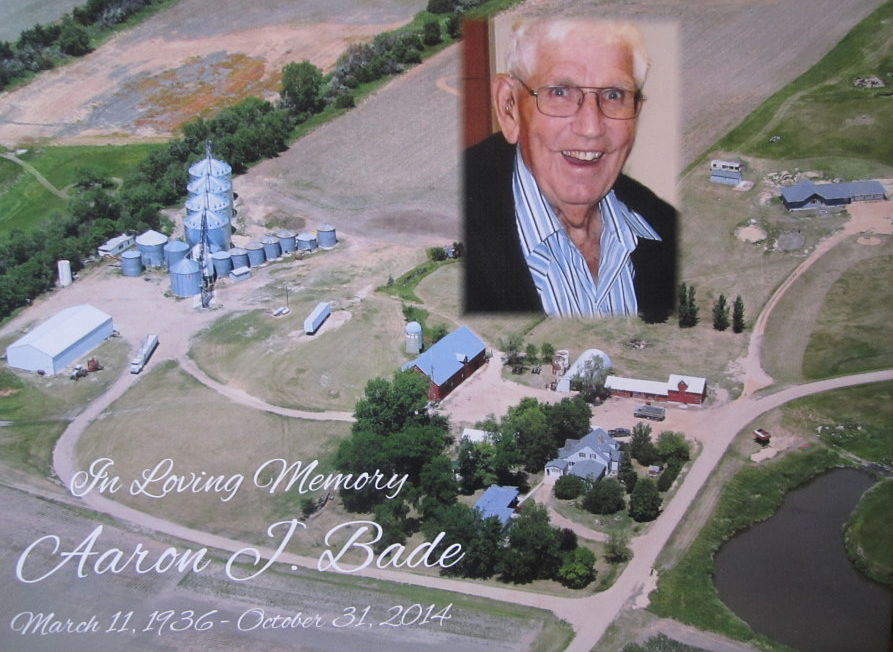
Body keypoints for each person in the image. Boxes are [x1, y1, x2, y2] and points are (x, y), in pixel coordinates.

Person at [464, 18, 677, 322]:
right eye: (560, 92)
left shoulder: (666, 229)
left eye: (614, 95)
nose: (590, 128)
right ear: (509, 107)